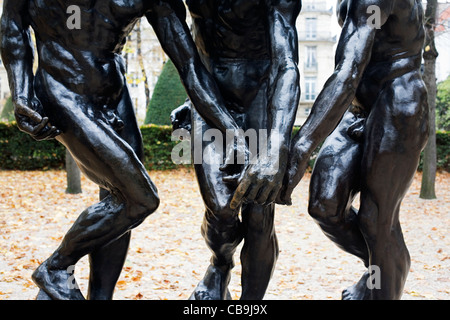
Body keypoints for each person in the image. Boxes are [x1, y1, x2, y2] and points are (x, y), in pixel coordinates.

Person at [0, 0, 244, 300]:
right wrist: (21, 90)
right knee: (138, 198)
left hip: (113, 95)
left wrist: (227, 126)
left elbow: (189, 64)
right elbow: (13, 22)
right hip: (61, 89)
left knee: (118, 200)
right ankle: (55, 267)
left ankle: (99, 295)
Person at [270, 0, 428, 299]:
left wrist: (300, 149)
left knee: (376, 219)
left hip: (399, 101)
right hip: (357, 108)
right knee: (324, 205)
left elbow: (348, 71)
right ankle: (384, 266)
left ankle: (384, 281)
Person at [175, 0, 301, 300]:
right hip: (208, 93)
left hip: (261, 92)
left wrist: (278, 143)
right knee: (220, 210)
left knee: (259, 211)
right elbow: (186, 60)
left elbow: (286, 64)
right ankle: (220, 263)